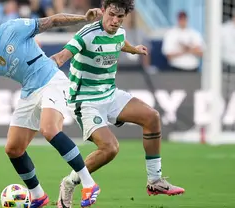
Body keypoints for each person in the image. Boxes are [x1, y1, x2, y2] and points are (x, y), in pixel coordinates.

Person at [0, 7, 102, 208]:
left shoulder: (14, 28)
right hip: (29, 91)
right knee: (13, 148)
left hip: (51, 80)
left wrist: (83, 18)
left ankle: (89, 184)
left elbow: (52, 21)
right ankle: (38, 196)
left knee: (49, 129)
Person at [50, 0, 186, 207]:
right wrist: (48, 66)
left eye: (120, 17)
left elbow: (120, 43)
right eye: (111, 14)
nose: (114, 21)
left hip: (110, 94)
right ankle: (69, 183)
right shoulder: (87, 34)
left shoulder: (120, 32)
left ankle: (155, 181)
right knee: (110, 148)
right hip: (85, 100)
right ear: (103, 11)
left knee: (152, 117)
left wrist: (134, 50)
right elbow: (62, 56)